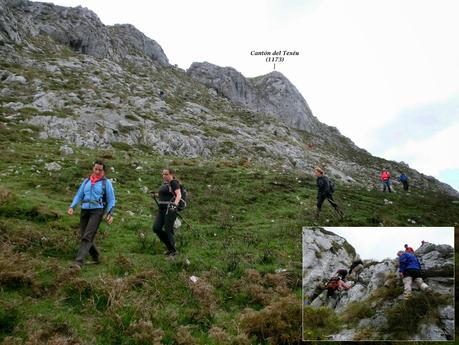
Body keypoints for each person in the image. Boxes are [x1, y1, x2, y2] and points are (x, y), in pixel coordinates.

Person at [68, 160, 115, 270]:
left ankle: (78, 262)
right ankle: (96, 256)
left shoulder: (106, 183)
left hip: (97, 211)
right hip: (84, 210)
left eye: (100, 170)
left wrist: (110, 213)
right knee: (85, 235)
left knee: (87, 236)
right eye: (96, 169)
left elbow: (111, 199)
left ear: (103, 171)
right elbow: (79, 195)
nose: (97, 171)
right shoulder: (86, 181)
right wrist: (72, 206)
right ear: (93, 168)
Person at [152, 168, 182, 256]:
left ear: (171, 174)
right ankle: (170, 247)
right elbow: (165, 194)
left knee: (168, 229)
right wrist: (156, 195)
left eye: (166, 174)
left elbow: (179, 194)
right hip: (161, 210)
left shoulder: (174, 182)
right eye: (163, 174)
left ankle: (173, 251)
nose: (164, 176)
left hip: (170, 209)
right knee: (156, 228)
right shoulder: (165, 184)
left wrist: (174, 205)